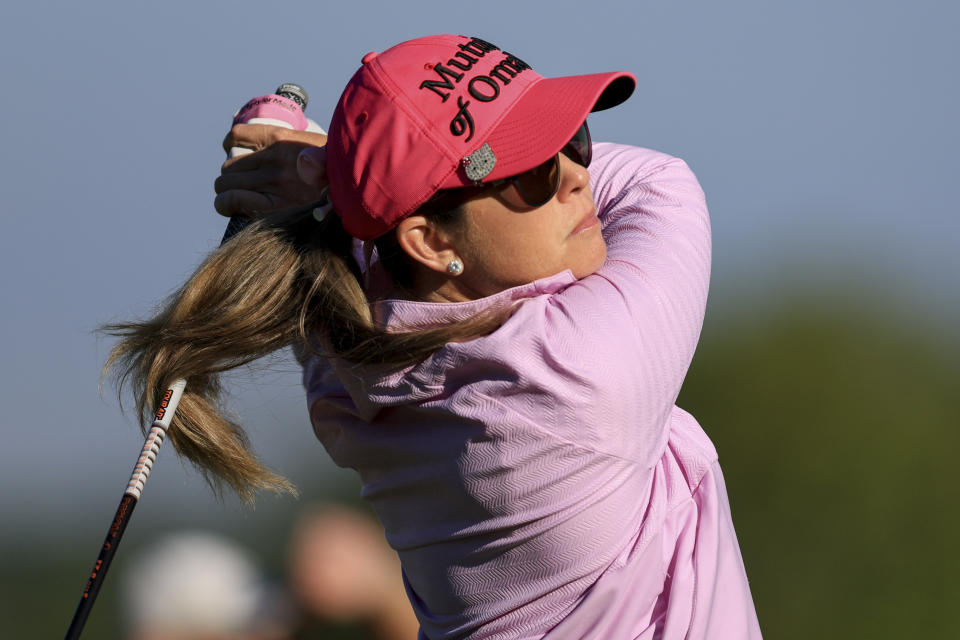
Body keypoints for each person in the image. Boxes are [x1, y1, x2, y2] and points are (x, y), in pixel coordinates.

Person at [106, 34, 762, 639]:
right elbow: (660, 183)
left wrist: (337, 188)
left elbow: (343, 256)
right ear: (431, 240)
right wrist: (324, 176)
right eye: (532, 172)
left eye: (573, 138)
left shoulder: (354, 356)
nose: (575, 175)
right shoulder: (577, 373)